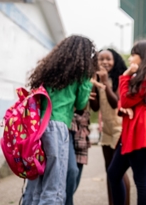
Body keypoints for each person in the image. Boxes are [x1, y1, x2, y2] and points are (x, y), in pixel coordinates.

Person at [24, 35, 96, 205]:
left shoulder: (49, 69)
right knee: (54, 185)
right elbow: (80, 104)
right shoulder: (81, 74)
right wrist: (88, 83)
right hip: (57, 127)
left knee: (35, 183)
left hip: (37, 125)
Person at [107, 39, 146, 205]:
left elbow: (127, 100)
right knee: (114, 174)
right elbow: (125, 102)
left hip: (141, 135)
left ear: (144, 57)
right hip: (131, 133)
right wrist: (124, 106)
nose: (130, 58)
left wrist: (125, 75)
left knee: (141, 181)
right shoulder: (143, 78)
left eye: (134, 54)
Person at [89, 48, 131, 205]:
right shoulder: (98, 80)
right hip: (106, 129)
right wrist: (94, 84)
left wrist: (105, 82)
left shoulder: (121, 79)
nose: (104, 62)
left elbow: (115, 104)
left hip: (120, 129)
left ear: (115, 61)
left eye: (108, 59)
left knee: (118, 171)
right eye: (101, 59)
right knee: (109, 171)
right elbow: (94, 107)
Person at [65, 107, 91, 205]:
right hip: (68, 126)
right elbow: (80, 103)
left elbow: (94, 106)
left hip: (81, 132)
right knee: (72, 171)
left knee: (73, 184)